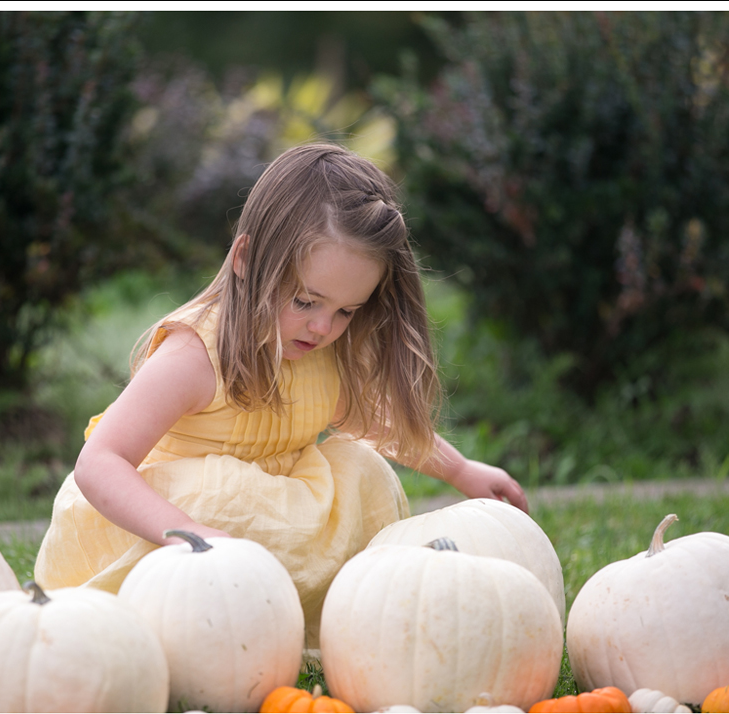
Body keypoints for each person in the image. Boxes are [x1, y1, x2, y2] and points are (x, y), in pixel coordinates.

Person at [35, 142, 527, 646]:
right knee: (225, 498)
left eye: (346, 311)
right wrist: (187, 535)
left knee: (363, 471)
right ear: (247, 259)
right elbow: (100, 462)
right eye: (306, 300)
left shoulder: (316, 351)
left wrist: (461, 470)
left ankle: (323, 627)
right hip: (159, 541)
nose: (323, 326)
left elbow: (372, 425)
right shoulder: (197, 356)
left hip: (255, 538)